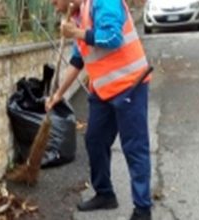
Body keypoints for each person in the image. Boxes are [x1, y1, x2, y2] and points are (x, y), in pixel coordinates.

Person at [47, 0, 152, 219]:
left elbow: (113, 38)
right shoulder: (80, 14)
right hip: (104, 91)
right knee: (95, 139)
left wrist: (77, 32)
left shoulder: (103, 2)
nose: (54, 6)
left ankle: (142, 209)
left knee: (134, 146)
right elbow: (77, 61)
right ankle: (105, 194)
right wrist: (58, 95)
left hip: (129, 86)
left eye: (54, 1)